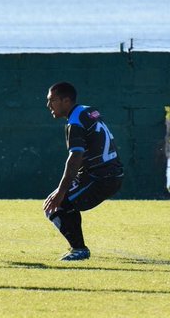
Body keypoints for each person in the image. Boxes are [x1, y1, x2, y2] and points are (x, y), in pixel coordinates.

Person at [43, 82, 124, 261]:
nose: (49, 105)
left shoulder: (75, 121)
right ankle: (78, 246)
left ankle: (79, 249)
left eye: (52, 100)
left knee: (56, 205)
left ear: (66, 101)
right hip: (110, 173)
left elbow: (75, 157)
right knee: (61, 203)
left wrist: (61, 190)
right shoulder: (87, 111)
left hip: (100, 177)